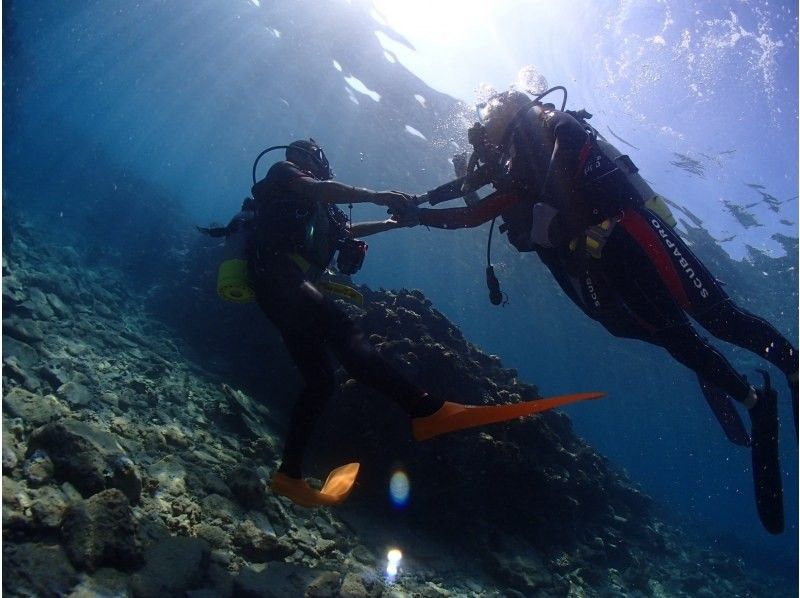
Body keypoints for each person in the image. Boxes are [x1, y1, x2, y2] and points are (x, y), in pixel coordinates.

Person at [407, 90, 797, 534]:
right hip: (607, 256)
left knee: (714, 315)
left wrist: (551, 219)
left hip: (632, 229)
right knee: (675, 338)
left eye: (490, 112)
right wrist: (417, 207)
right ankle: (753, 400)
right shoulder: (514, 164)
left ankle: (792, 365)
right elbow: (473, 208)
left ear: (512, 108)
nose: (483, 123)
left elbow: (557, 173)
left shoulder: (551, 123)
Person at [236, 138, 602, 507]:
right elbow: (319, 189)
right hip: (278, 275)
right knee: (344, 332)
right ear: (312, 160)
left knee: (319, 381)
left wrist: (393, 224)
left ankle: (289, 475)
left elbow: (347, 233)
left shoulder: (310, 208)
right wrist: (379, 194)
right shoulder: (287, 174)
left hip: (281, 289)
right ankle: (426, 410)